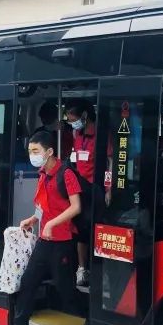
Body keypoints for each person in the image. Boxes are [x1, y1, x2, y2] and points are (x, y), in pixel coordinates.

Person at [1, 131, 82, 325]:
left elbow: (76, 207)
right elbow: (43, 206)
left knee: (65, 288)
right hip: (44, 241)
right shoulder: (42, 174)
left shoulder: (66, 174)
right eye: (30, 151)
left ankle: (90, 320)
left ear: (49, 152)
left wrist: (52, 223)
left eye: (36, 151)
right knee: (28, 281)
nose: (32, 155)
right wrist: (34, 219)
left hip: (63, 241)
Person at [65, 102, 96, 290]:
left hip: (95, 188)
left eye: (73, 119)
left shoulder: (99, 134)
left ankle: (97, 268)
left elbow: (110, 160)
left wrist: (109, 189)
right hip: (80, 187)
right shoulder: (77, 134)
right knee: (80, 231)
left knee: (93, 231)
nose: (72, 123)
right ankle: (82, 268)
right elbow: (75, 158)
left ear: (84, 115)